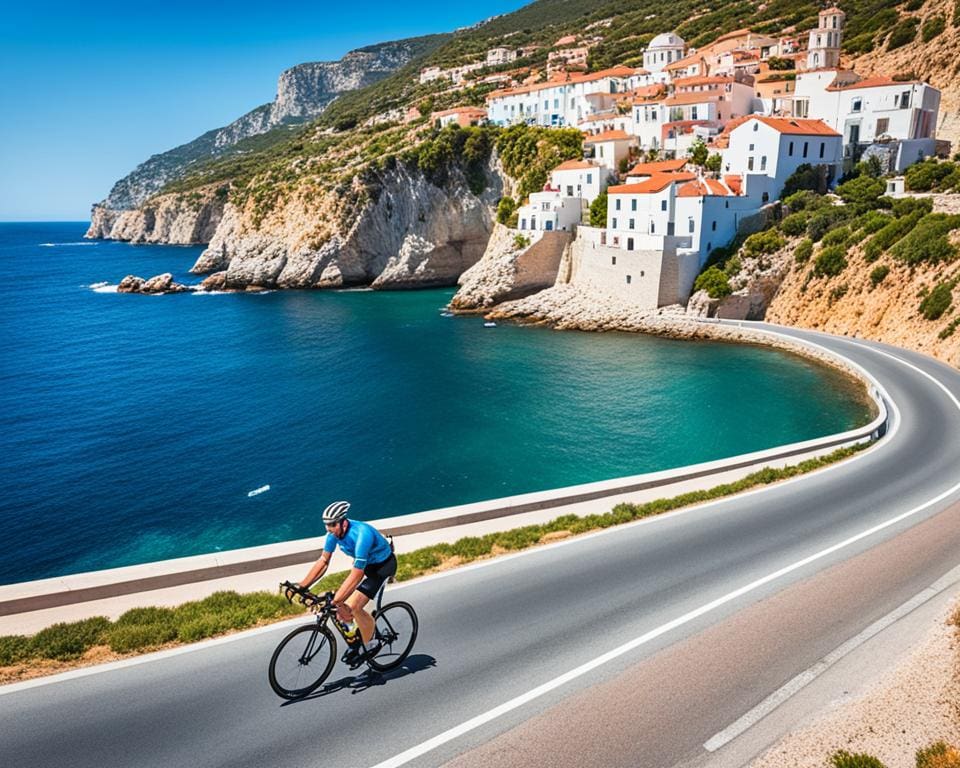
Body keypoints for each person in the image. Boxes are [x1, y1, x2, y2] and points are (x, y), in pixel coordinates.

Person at [298, 500, 397, 666]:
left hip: (382, 567)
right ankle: (355, 640)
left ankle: (372, 643)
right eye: (326, 525)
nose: (328, 529)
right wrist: (301, 586)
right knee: (338, 604)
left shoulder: (361, 534)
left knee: (352, 606)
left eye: (332, 525)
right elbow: (323, 560)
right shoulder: (333, 535)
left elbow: (357, 573)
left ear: (343, 522)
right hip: (368, 566)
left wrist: (338, 600)